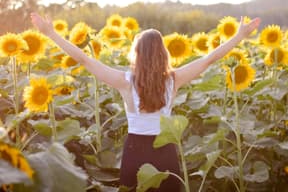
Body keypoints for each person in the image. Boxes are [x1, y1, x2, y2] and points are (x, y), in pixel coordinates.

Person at [30, 13, 260, 191]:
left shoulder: (125, 81)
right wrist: (240, 35)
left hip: (135, 151)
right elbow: (210, 59)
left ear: (137, 53)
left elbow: (84, 59)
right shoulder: (174, 79)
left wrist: (50, 33)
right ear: (163, 54)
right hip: (166, 150)